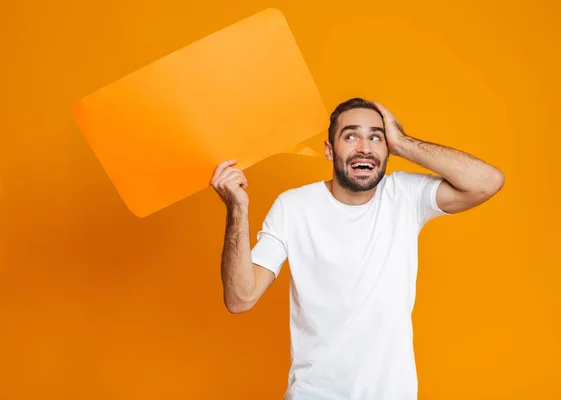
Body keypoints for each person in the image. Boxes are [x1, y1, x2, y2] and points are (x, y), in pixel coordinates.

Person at [210, 98, 504, 399]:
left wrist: (402, 142)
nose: (364, 148)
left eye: (376, 137)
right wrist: (237, 208)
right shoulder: (293, 206)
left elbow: (486, 182)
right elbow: (240, 298)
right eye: (350, 136)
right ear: (329, 150)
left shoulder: (404, 195)